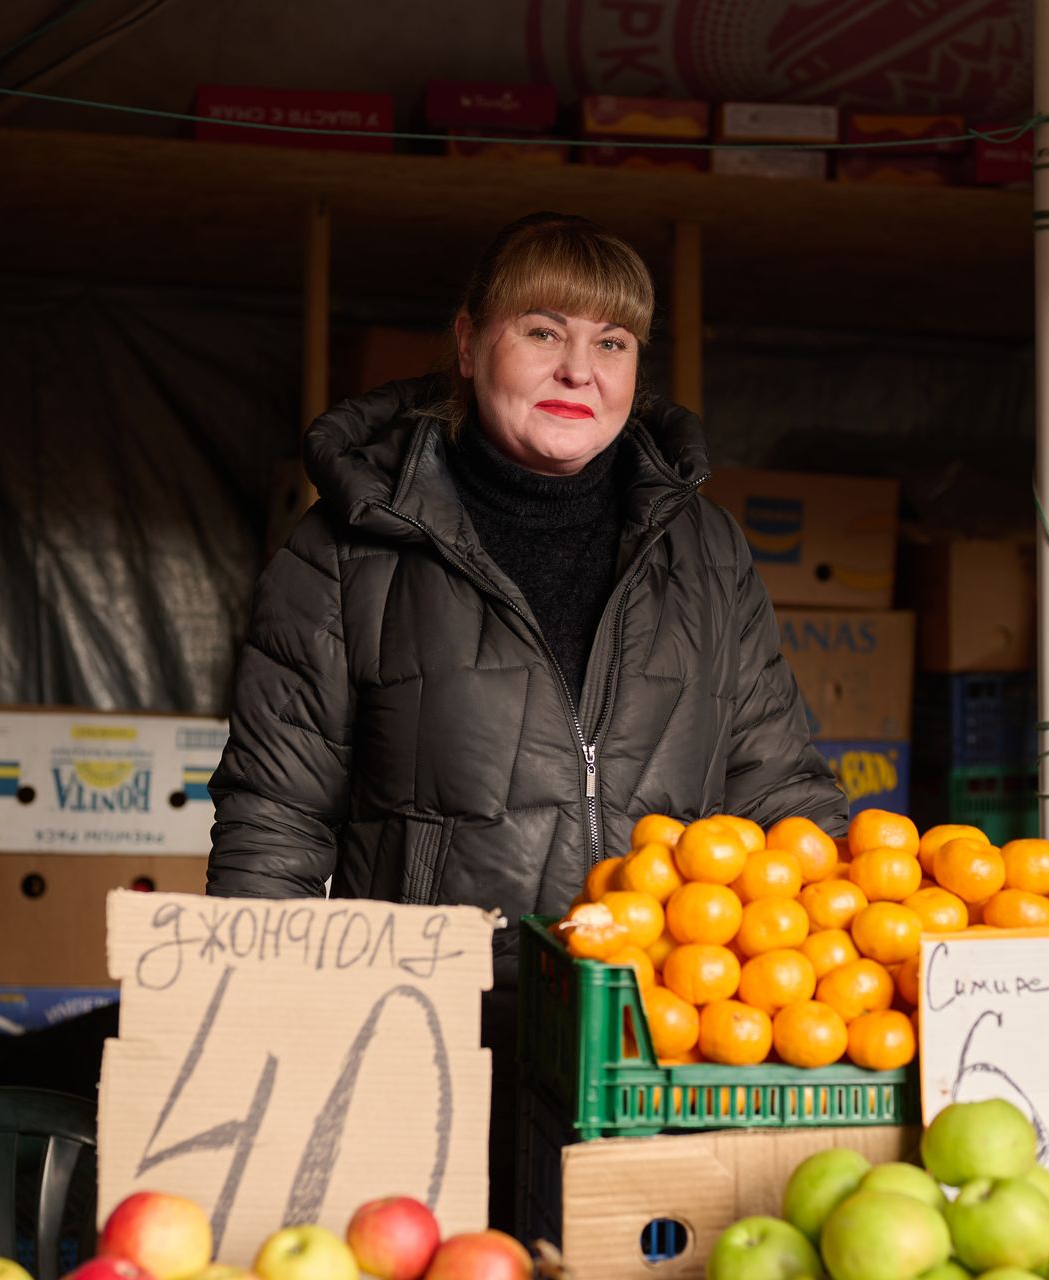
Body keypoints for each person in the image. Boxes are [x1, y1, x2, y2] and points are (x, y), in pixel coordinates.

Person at [206, 211, 846, 1228]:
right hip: (421, 1048)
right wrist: (253, 1029)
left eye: (613, 342)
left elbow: (776, 782)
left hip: (650, 1052)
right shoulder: (344, 552)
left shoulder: (706, 554)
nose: (578, 369)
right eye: (543, 330)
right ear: (468, 343)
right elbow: (275, 818)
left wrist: (876, 948)